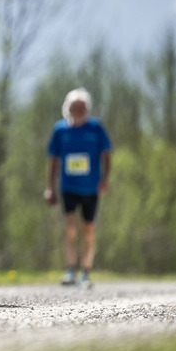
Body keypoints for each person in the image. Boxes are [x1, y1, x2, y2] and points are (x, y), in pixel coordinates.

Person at [44, 87, 112, 288]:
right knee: (70, 227)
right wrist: (50, 187)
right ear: (68, 108)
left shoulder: (96, 128)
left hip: (91, 188)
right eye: (76, 107)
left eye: (83, 107)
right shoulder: (60, 130)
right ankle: (70, 269)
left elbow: (107, 156)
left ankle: (86, 271)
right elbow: (53, 160)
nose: (80, 111)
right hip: (68, 186)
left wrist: (105, 179)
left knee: (89, 229)